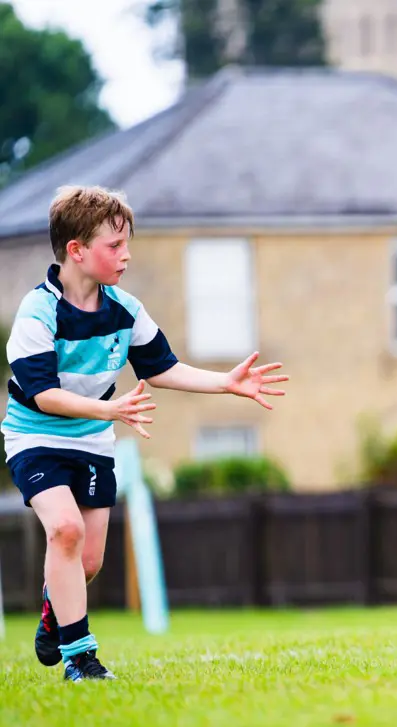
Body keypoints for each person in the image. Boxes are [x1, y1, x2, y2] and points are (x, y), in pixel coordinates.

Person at [2, 186, 289, 681]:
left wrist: (225, 383)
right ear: (76, 250)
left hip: (92, 438)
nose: (126, 254)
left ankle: (55, 608)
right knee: (64, 531)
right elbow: (44, 394)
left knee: (86, 562)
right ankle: (82, 660)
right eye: (114, 245)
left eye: (126, 243)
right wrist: (108, 408)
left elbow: (161, 368)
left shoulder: (126, 310)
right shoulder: (37, 314)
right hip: (36, 435)